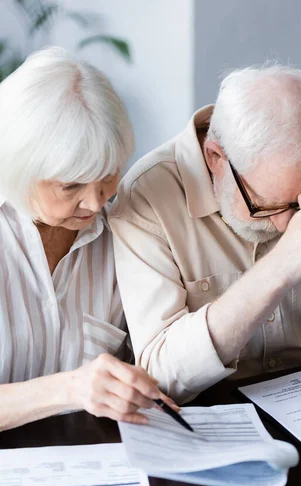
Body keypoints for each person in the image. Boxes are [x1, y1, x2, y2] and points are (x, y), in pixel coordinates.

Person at [110, 64, 301, 404]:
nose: (286, 225)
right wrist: (278, 270)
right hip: (204, 413)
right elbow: (159, 376)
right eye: (267, 206)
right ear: (215, 157)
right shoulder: (148, 196)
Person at [0, 47, 177, 431]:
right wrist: (70, 389)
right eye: (72, 185)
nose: (96, 201)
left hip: (99, 463)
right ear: (19, 168)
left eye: (109, 176)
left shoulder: (125, 232)